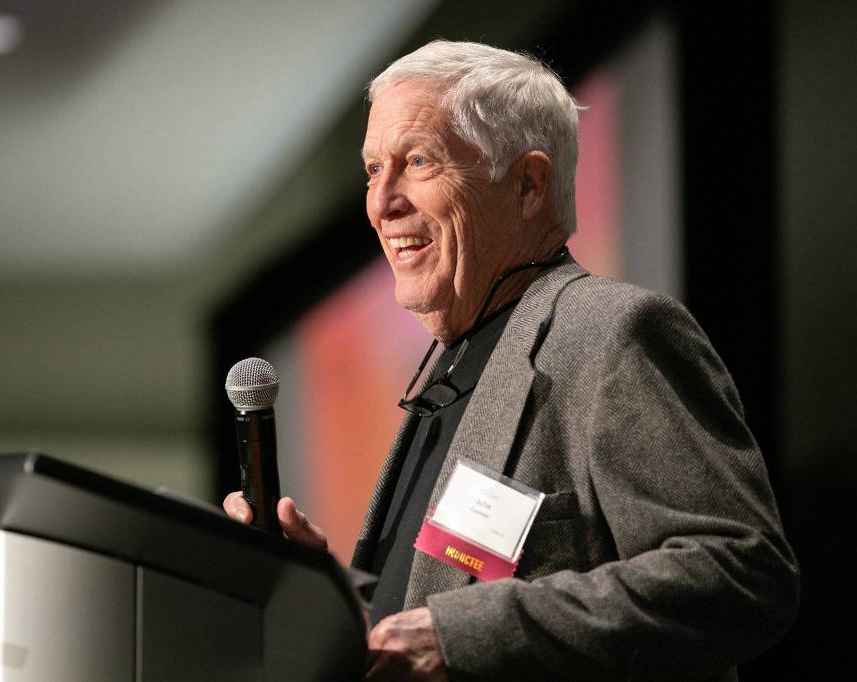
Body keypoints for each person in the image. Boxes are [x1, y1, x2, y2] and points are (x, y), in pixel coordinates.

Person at [225, 40, 798, 681]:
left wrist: (460, 637)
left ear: (528, 185)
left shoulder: (611, 332)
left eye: (418, 161)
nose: (381, 202)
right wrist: (324, 594)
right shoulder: (449, 363)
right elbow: (434, 610)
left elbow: (738, 571)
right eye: (373, 169)